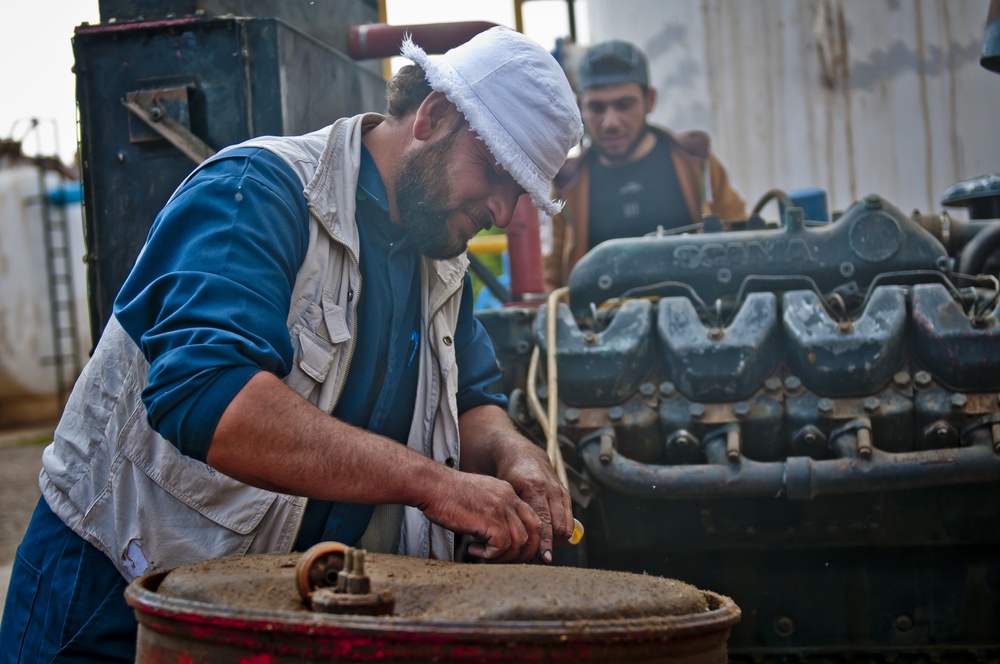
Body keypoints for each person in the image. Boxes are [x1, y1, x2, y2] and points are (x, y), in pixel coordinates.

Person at [0, 26, 583, 662]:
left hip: (257, 614)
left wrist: (511, 451)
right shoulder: (257, 192)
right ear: (434, 116)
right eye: (496, 172)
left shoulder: (438, 258)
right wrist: (433, 485)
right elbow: (209, 398)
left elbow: (470, 398)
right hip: (111, 601)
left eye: (521, 193)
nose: (504, 211)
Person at [544, 39, 746, 291]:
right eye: (597, 107)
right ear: (579, 107)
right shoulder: (568, 182)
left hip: (702, 319)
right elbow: (550, 278)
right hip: (600, 326)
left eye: (624, 104)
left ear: (649, 100)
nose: (611, 122)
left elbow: (742, 240)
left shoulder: (696, 163)